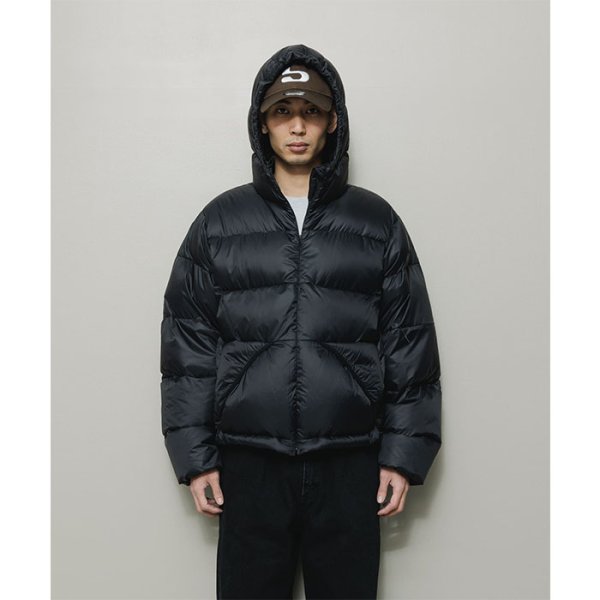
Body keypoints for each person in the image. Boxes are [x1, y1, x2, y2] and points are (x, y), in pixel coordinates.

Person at [160, 44, 442, 599]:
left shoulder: (375, 221)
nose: (296, 127)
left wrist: (404, 456)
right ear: (261, 123)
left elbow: (409, 341)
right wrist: (195, 459)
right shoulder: (220, 222)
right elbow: (187, 347)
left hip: (349, 461)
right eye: (282, 113)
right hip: (249, 463)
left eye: (311, 112)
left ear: (332, 122)